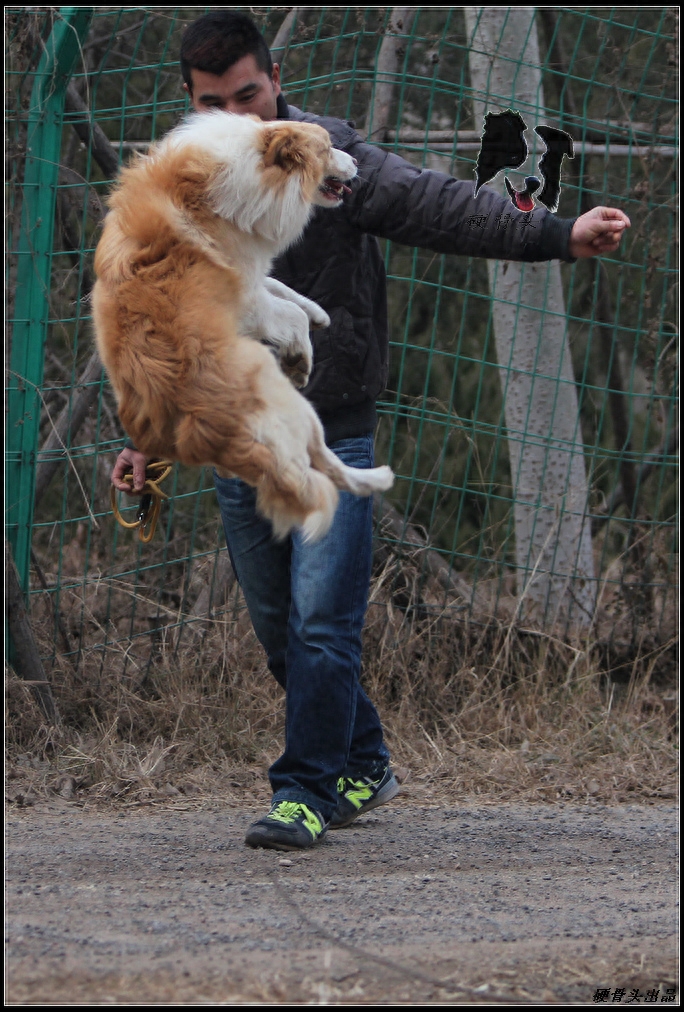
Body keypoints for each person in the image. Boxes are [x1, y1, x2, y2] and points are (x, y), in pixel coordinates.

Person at [111, 10, 630, 851]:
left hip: (331, 432)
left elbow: (437, 206)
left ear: (276, 81)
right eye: (218, 103)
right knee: (281, 627)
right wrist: (141, 436)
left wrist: (556, 235)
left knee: (323, 621)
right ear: (192, 103)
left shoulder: (330, 162)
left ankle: (305, 791)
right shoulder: (180, 184)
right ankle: (365, 760)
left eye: (252, 96)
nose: (241, 118)